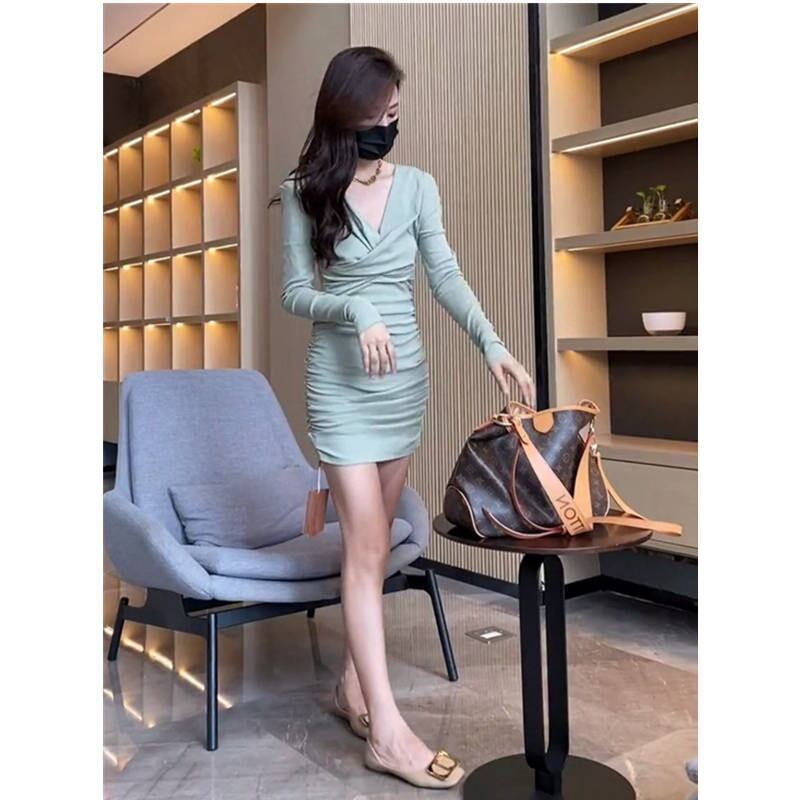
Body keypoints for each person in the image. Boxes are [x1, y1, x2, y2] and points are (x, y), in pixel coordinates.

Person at [273, 46, 535, 790]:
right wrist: (355, 306)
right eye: (374, 115)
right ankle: (387, 733)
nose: (387, 127)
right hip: (340, 388)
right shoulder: (304, 192)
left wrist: (492, 344)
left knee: (378, 541)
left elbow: (443, 273)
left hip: (402, 386)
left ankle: (350, 687)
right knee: (364, 548)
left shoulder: (417, 186)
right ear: (341, 116)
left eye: (394, 113)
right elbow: (294, 292)